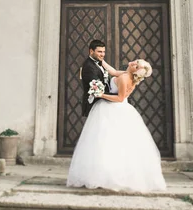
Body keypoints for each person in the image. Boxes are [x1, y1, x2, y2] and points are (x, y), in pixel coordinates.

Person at [67, 58, 166, 192]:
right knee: (116, 144)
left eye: (137, 66)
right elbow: (113, 71)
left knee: (104, 142)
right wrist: (101, 61)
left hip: (112, 109)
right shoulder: (127, 75)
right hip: (122, 110)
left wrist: (101, 94)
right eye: (136, 61)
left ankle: (107, 177)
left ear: (136, 71)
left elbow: (119, 98)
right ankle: (109, 175)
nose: (134, 63)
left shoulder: (125, 78)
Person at [80, 40, 122, 117]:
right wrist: (117, 96)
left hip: (104, 103)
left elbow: (114, 72)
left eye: (104, 52)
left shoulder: (99, 61)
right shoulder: (89, 67)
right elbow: (98, 91)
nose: (102, 54)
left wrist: (131, 73)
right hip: (95, 105)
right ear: (91, 51)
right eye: (99, 52)